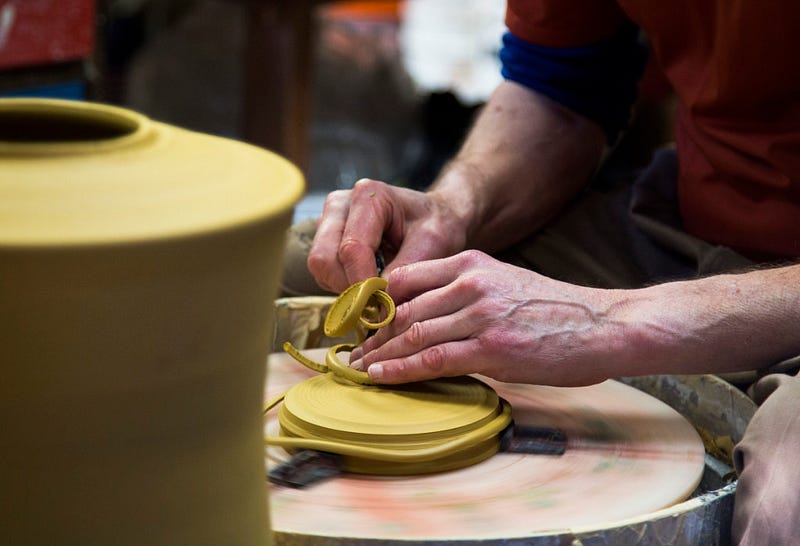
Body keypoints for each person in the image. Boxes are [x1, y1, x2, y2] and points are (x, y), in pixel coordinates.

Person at [285, 2, 800, 543]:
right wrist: (455, 208)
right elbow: (565, 88)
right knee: (277, 274)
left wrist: (606, 322)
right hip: (685, 216)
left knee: (782, 509)